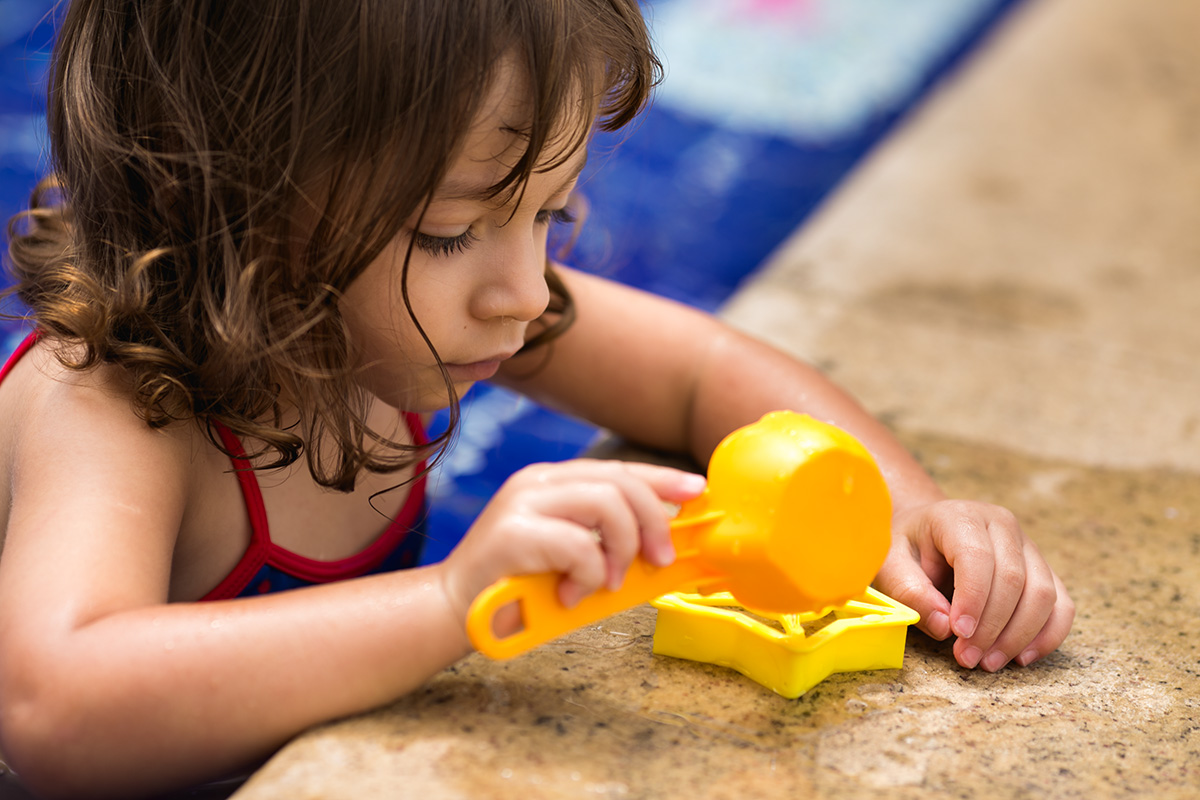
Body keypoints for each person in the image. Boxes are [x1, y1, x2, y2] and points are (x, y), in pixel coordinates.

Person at [0, 0, 1074, 796]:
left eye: (550, 216)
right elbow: (55, 701)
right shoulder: (109, 408)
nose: (524, 291)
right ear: (233, 210)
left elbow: (701, 371)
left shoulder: (409, 306)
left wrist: (903, 508)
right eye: (453, 231)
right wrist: (445, 604)